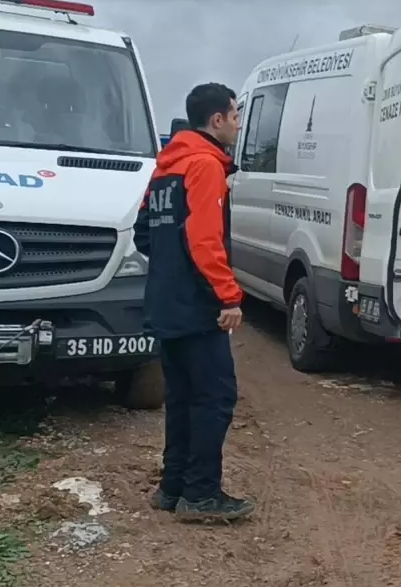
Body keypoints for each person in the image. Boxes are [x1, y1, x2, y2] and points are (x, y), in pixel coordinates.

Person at [133, 82, 254, 522]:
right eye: (236, 115)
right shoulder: (205, 166)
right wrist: (228, 296)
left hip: (166, 301)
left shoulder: (166, 168)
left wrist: (170, 269)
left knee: (182, 397)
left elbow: (142, 232)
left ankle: (172, 488)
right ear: (217, 119)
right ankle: (201, 494)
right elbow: (205, 239)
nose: (239, 124)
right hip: (198, 305)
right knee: (215, 398)